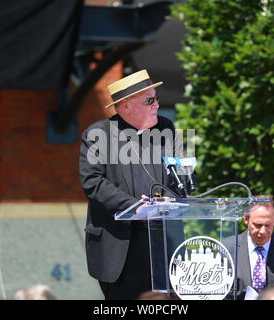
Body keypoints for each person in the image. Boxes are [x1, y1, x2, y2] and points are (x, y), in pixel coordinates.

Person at [79, 69, 191, 300]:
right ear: (127, 105)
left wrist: (176, 193)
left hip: (164, 241)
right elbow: (92, 182)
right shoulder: (98, 134)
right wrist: (133, 207)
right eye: (150, 100)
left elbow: (184, 171)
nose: (157, 105)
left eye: (157, 98)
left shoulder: (166, 129)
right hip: (121, 245)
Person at [225, 197, 274, 299]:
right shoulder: (228, 247)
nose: (262, 231)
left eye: (267, 225)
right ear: (246, 219)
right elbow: (222, 292)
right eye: (257, 225)